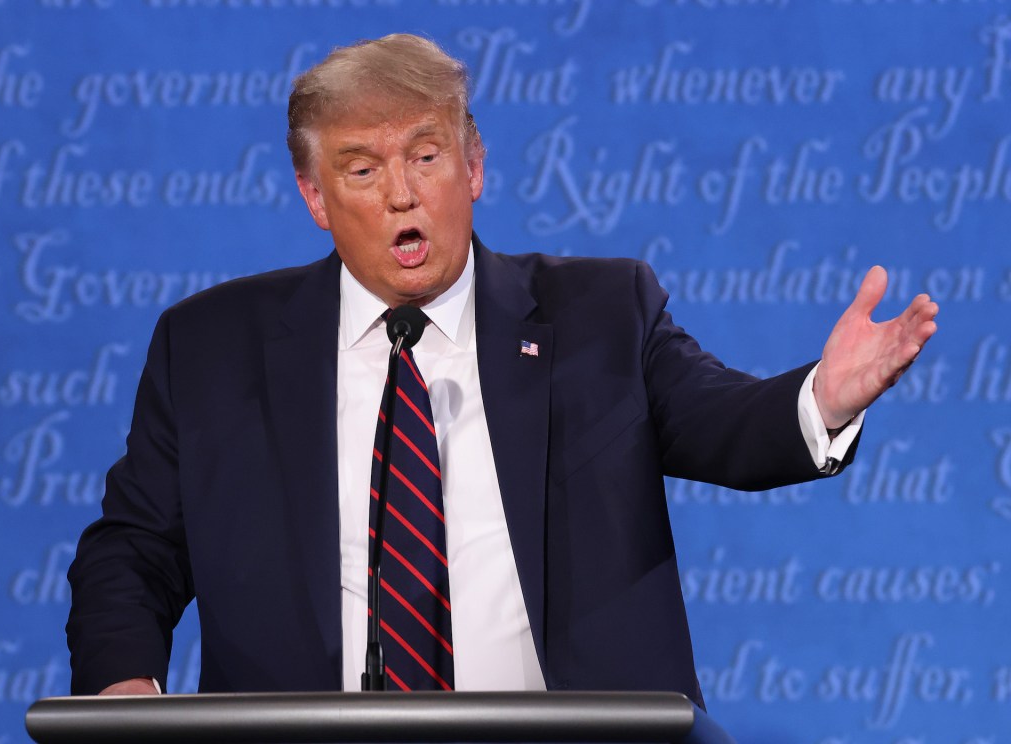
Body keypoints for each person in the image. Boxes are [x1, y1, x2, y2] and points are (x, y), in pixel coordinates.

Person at [66, 34, 938, 704]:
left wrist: (821, 397)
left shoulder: (598, 315)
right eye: (362, 169)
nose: (402, 193)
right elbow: (133, 551)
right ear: (315, 197)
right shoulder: (212, 347)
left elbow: (721, 421)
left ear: (473, 166)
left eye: (426, 155)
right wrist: (125, 689)